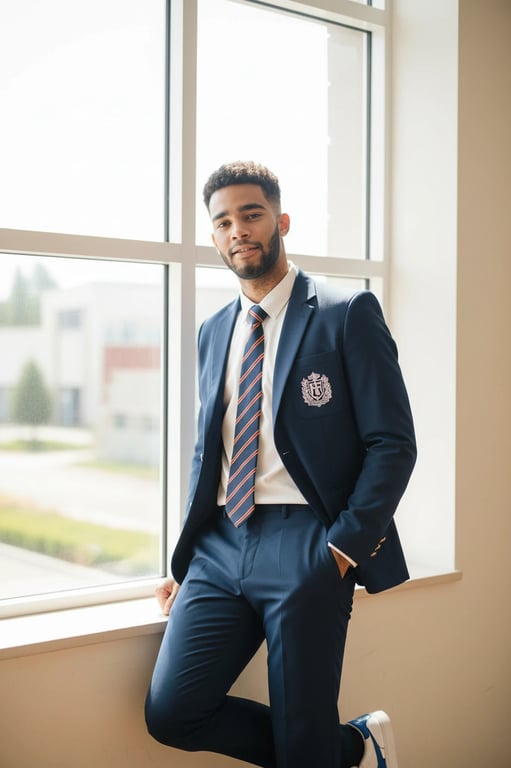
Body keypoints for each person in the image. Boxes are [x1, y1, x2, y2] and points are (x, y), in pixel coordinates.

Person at [145, 161, 416, 768]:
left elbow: (393, 443)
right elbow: (206, 453)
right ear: (213, 237)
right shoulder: (214, 331)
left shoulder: (346, 313)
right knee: (171, 711)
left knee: (300, 732)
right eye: (223, 222)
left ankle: (320, 747)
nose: (238, 230)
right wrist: (186, 558)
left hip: (308, 541)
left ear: (281, 220)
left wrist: (343, 548)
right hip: (220, 544)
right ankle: (350, 747)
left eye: (251, 214)